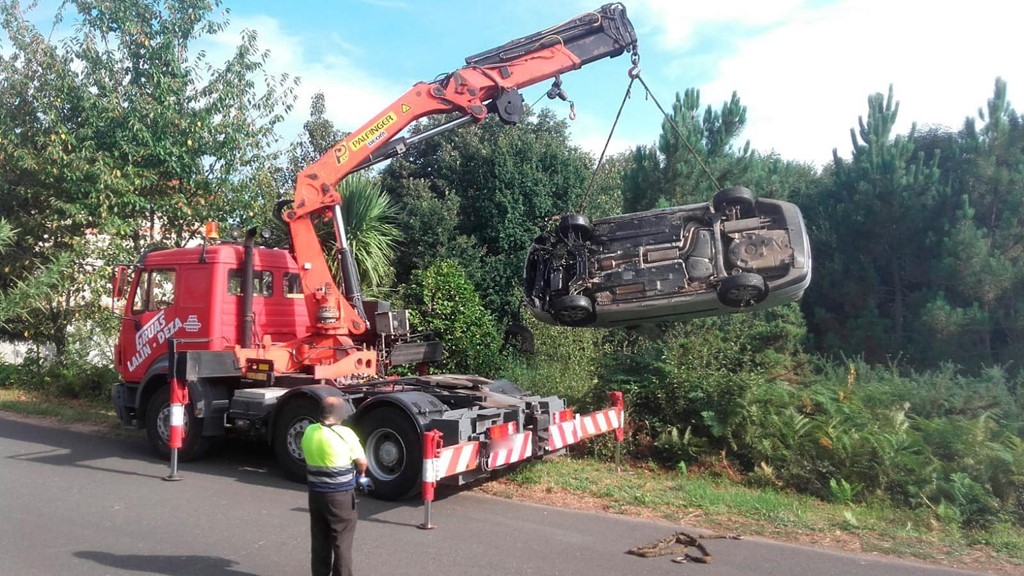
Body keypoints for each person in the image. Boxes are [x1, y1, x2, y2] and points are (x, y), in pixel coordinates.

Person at [301, 396, 369, 576]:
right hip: (340, 496)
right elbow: (362, 462)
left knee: (320, 540)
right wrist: (361, 475)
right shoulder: (345, 433)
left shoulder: (309, 431)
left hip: (316, 495)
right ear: (340, 413)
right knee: (342, 543)